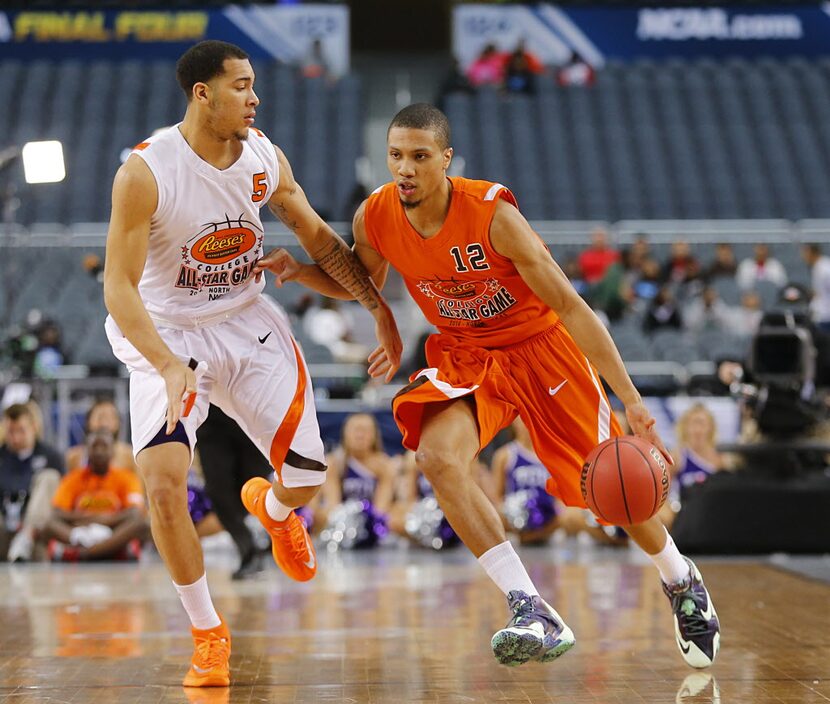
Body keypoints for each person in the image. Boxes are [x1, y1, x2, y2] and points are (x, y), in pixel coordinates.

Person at [256, 103, 720, 669]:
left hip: (544, 350)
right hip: (469, 354)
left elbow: (573, 308)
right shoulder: (375, 215)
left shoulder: (493, 215)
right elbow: (360, 279)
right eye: (396, 155)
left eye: (419, 157)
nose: (405, 168)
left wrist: (631, 398)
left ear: (445, 160)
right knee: (436, 456)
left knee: (613, 485)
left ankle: (678, 576)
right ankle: (530, 607)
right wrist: (301, 272)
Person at [102, 40, 401, 688]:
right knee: (161, 487)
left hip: (245, 322)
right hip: (168, 334)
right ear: (201, 94)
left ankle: (272, 511)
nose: (254, 96)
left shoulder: (262, 159)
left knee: (307, 480)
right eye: (240, 85)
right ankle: (208, 634)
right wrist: (165, 363)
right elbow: (118, 289)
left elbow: (320, 237)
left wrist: (375, 306)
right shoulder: (146, 173)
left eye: (254, 84)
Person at [43, 429, 149, 561]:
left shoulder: (127, 478)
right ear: (87, 451)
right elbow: (57, 512)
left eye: (104, 446)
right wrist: (88, 519)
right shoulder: (73, 478)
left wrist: (103, 520)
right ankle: (100, 550)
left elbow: (134, 513)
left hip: (114, 531)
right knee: (48, 523)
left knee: (141, 524)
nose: (99, 451)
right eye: (94, 446)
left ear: (112, 451)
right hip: (81, 531)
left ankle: (85, 554)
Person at [195, 404, 273, 580]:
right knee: (217, 491)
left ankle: (255, 545)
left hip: (252, 416)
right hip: (212, 419)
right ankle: (249, 549)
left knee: (251, 489)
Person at [311, 413, 396, 545]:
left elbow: (381, 508)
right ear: (345, 434)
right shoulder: (334, 463)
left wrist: (369, 522)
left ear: (374, 435)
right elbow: (333, 504)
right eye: (355, 430)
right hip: (340, 520)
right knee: (315, 513)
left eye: (366, 431)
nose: (360, 435)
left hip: (371, 522)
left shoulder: (384, 465)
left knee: (395, 517)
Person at [0, 403, 63, 562]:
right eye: (10, 431)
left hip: (35, 532)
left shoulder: (51, 456)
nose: (15, 438)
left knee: (49, 477)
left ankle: (26, 538)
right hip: (3, 527)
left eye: (21, 430)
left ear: (33, 427)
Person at [660, 404, 726, 530]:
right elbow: (661, 488)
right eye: (694, 423)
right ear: (685, 427)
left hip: (709, 512)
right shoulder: (678, 455)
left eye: (702, 424)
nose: (698, 429)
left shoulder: (719, 459)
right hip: (682, 513)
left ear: (710, 428)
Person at [65, 399, 138, 474]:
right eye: (100, 417)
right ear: (89, 421)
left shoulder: (130, 456)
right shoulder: (74, 457)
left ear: (118, 423)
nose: (104, 423)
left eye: (110, 418)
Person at [801, 243, 830, 332]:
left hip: (826, 317)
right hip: (819, 315)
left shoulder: (825, 268)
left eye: (804, 252)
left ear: (812, 252)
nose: (802, 256)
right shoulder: (817, 267)